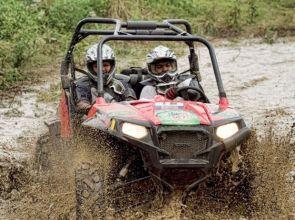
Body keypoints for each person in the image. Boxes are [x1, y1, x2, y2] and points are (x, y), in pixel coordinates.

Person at [75, 44, 136, 112]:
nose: (102, 69)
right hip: (94, 118)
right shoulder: (84, 84)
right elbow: (81, 103)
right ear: (91, 68)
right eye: (97, 66)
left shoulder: (121, 82)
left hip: (120, 117)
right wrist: (92, 109)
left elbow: (131, 101)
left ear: (112, 66)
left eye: (106, 65)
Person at [139, 45, 204, 101]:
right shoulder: (148, 89)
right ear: (152, 69)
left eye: (167, 65)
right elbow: (144, 111)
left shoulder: (186, 82)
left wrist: (186, 93)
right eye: (159, 67)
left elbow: (203, 105)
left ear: (173, 66)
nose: (165, 69)